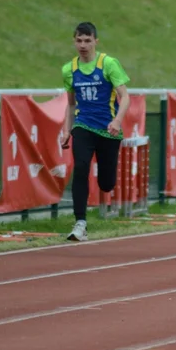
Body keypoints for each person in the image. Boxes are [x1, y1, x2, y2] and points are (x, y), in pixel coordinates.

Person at [60, 22, 131, 242]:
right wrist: (66, 130)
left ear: (95, 41)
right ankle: (80, 222)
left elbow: (125, 97)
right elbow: (71, 105)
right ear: (74, 41)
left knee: (106, 184)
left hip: (108, 129)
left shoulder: (108, 64)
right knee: (80, 166)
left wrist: (117, 121)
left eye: (87, 40)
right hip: (83, 125)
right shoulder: (69, 69)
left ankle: (106, 178)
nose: (83, 45)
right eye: (79, 41)